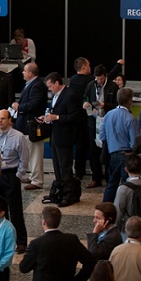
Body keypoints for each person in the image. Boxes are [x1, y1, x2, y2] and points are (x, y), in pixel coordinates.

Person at [19, 206, 96, 281]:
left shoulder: (36, 244)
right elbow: (91, 261)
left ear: (44, 222)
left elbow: (24, 268)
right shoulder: (72, 240)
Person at [43, 72, 83, 207]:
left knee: (65, 167)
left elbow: (75, 116)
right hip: (55, 136)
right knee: (57, 167)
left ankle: (68, 194)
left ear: (56, 83)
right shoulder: (55, 96)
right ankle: (60, 190)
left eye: (50, 86)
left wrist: (57, 117)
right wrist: (47, 117)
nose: (49, 89)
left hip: (65, 137)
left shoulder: (70, 95)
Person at [0, 109, 28, 252]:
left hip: (11, 174)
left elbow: (24, 159)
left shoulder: (18, 136)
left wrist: (18, 175)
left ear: (9, 120)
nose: (0, 121)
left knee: (15, 209)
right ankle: (3, 240)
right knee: (0, 210)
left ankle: (21, 241)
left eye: (3, 118)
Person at [100, 87, 139, 202]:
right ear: (130, 100)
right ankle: (125, 206)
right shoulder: (131, 119)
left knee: (112, 182)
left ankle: (106, 206)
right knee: (127, 184)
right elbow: (135, 142)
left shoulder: (108, 115)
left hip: (112, 153)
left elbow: (102, 136)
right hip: (127, 154)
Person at [13, 63, 46, 190]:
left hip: (32, 125)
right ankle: (33, 176)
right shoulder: (31, 84)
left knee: (35, 153)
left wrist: (19, 107)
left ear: (30, 73)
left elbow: (34, 104)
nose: (23, 73)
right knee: (30, 152)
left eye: (24, 71)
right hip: (26, 125)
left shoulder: (37, 85)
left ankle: (37, 180)